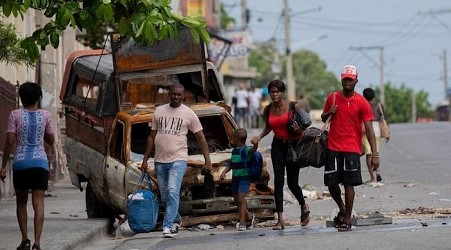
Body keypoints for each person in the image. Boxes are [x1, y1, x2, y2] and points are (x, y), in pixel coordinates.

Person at [140, 83, 212, 238]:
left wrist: (208, 160)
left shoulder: (189, 113)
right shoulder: (159, 111)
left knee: (173, 191)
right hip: (159, 160)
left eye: (179, 95)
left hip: (178, 159)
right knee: (165, 195)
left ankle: (167, 226)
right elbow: (152, 136)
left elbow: (200, 137)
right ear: (169, 94)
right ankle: (176, 219)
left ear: (184, 96)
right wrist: (145, 159)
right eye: (173, 94)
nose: (176, 97)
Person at [321, 65, 379, 231]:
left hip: (352, 148)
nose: (347, 81)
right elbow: (324, 117)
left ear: (356, 81)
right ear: (341, 79)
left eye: (350, 79)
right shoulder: (332, 97)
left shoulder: (361, 102)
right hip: (333, 145)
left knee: (348, 184)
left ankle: (347, 218)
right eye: (345, 78)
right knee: (331, 183)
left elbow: (369, 129)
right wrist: (328, 112)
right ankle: (342, 208)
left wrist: (375, 154)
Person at [1, 82, 55, 250]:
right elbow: (51, 141)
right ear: (38, 98)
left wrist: (3, 166)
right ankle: (38, 243)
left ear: (20, 98)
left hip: (21, 164)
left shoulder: (15, 115)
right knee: (38, 203)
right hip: (40, 163)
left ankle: (25, 239)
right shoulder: (46, 115)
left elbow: (10, 141)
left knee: (21, 203)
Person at [251, 79, 310, 230]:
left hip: (294, 145)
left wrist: (298, 130)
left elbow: (305, 128)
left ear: (282, 93)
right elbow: (268, 127)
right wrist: (258, 137)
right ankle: (280, 220)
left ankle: (303, 205)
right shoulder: (268, 109)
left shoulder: (293, 106)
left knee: (292, 183)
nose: (275, 94)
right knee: (278, 182)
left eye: (278, 91)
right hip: (278, 145)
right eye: (272, 92)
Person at [220, 128, 257, 231]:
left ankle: (242, 222)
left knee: (241, 198)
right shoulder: (234, 151)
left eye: (232, 137)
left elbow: (253, 150)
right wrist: (224, 172)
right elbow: (231, 164)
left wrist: (255, 144)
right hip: (235, 178)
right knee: (237, 199)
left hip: (244, 178)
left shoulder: (245, 150)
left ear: (236, 139)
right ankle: (249, 216)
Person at [362, 87, 390, 185]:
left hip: (366, 129)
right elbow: (384, 119)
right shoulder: (378, 105)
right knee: (375, 153)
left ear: (364, 96)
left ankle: (372, 177)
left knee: (368, 154)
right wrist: (387, 133)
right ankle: (377, 171)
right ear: (373, 96)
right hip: (377, 130)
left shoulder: (363, 105)